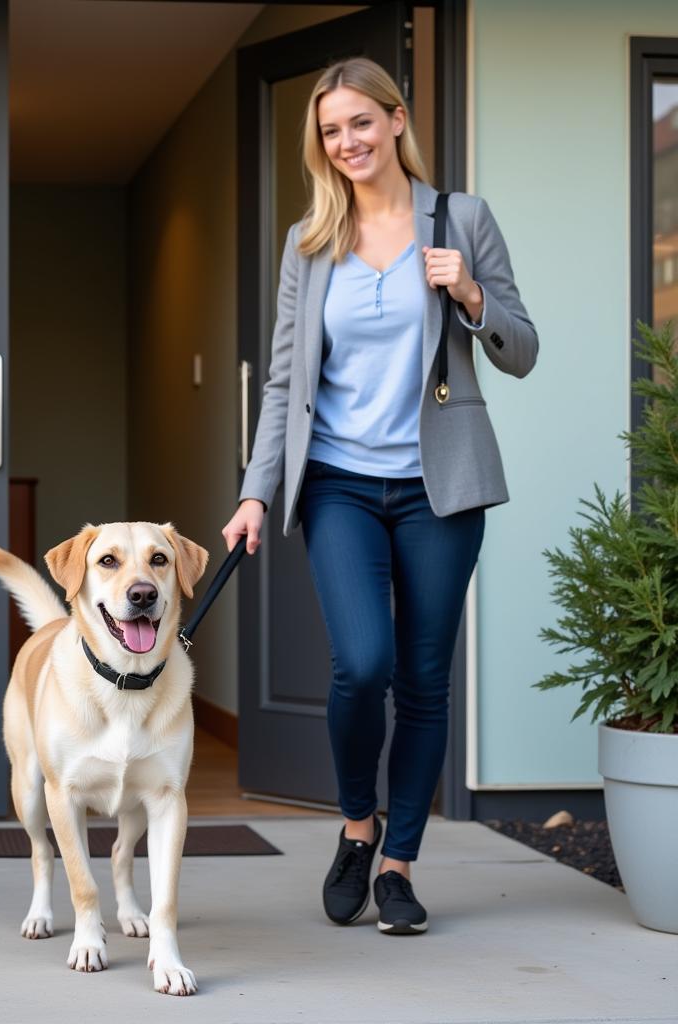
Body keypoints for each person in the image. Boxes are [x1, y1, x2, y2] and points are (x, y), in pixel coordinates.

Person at [221, 56, 537, 935]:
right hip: (341, 485)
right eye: (331, 130)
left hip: (442, 487)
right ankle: (355, 825)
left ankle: (398, 863)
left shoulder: (462, 219)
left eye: (362, 122)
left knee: (425, 681)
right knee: (362, 665)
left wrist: (468, 292)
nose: (347, 141)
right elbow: (286, 380)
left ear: (397, 120)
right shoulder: (308, 240)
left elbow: (522, 348)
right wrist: (255, 493)